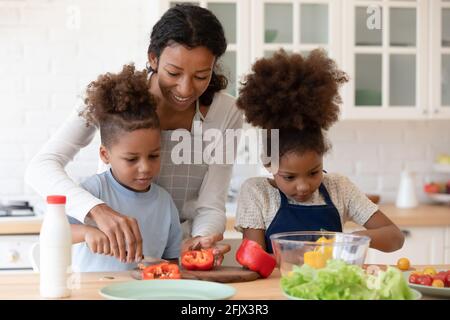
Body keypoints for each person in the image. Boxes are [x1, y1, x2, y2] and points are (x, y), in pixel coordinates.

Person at [25, 4, 243, 265]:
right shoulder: (113, 97)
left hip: (174, 255)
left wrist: (202, 242)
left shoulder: (226, 112)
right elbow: (40, 167)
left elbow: (211, 203)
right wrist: (96, 210)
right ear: (153, 58)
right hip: (110, 254)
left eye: (201, 76)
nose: (185, 89)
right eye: (173, 73)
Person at [234, 49, 405, 253]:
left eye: (314, 172)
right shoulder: (257, 193)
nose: (303, 186)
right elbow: (254, 259)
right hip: (276, 285)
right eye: (289, 177)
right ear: (268, 163)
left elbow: (395, 237)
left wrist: (351, 240)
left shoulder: (338, 188)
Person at [70, 64, 181, 271]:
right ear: (105, 155)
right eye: (131, 159)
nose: (145, 168)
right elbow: (55, 231)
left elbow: (172, 259)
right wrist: (86, 232)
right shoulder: (92, 191)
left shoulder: (165, 203)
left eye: (154, 155)